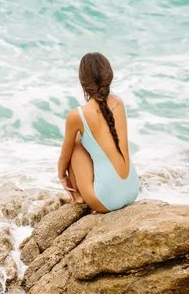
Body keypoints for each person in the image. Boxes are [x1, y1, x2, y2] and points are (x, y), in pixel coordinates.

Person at [57, 52, 139, 213]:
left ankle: (79, 197)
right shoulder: (119, 102)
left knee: (76, 143)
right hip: (132, 189)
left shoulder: (77, 115)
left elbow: (64, 157)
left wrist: (62, 178)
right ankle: (100, 185)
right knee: (88, 138)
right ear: (109, 76)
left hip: (106, 200)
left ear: (82, 81)